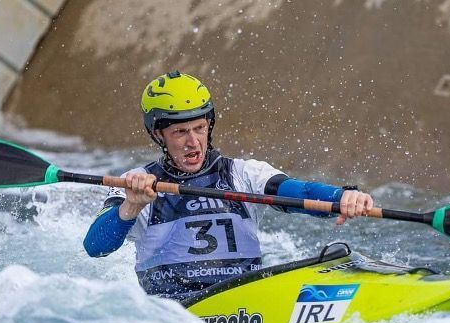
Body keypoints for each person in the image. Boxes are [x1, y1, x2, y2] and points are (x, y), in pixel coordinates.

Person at [84, 71, 373, 297]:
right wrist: (132, 205)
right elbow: (95, 247)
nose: (193, 141)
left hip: (243, 299)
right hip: (174, 314)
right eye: (180, 132)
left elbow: (300, 193)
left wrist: (342, 197)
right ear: (158, 135)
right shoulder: (135, 184)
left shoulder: (243, 174)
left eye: (199, 128)